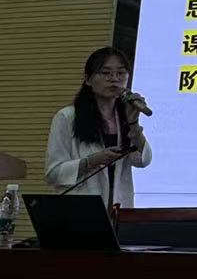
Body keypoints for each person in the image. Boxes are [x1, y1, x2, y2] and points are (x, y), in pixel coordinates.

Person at [45, 46, 153, 208]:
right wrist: (92, 161)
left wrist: (133, 123)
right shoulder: (67, 117)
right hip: (82, 209)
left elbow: (142, 160)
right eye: (106, 73)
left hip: (119, 209)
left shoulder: (125, 115)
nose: (114, 79)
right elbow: (53, 174)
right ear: (88, 79)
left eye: (121, 73)